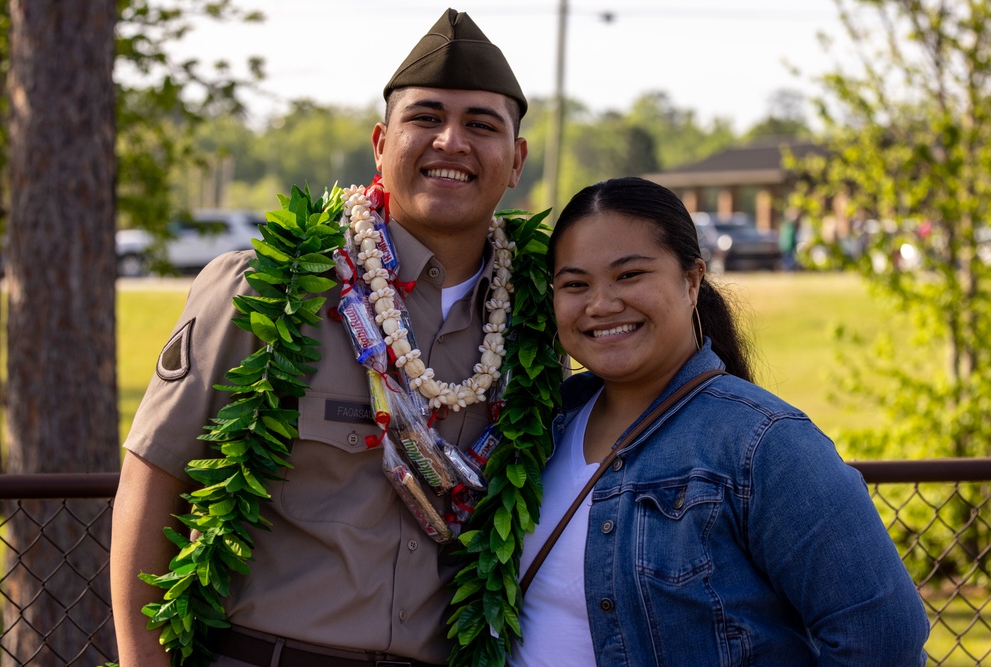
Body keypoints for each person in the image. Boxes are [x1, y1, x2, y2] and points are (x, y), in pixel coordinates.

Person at [111, 8, 528, 666]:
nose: (451, 141)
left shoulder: (536, 323)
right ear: (380, 145)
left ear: (517, 160)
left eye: (481, 125)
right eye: (425, 118)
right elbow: (151, 483)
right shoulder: (270, 289)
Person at [510, 177, 930, 666]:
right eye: (575, 284)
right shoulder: (540, 428)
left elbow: (882, 640)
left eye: (629, 276)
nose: (601, 304)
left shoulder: (765, 443)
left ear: (692, 281)